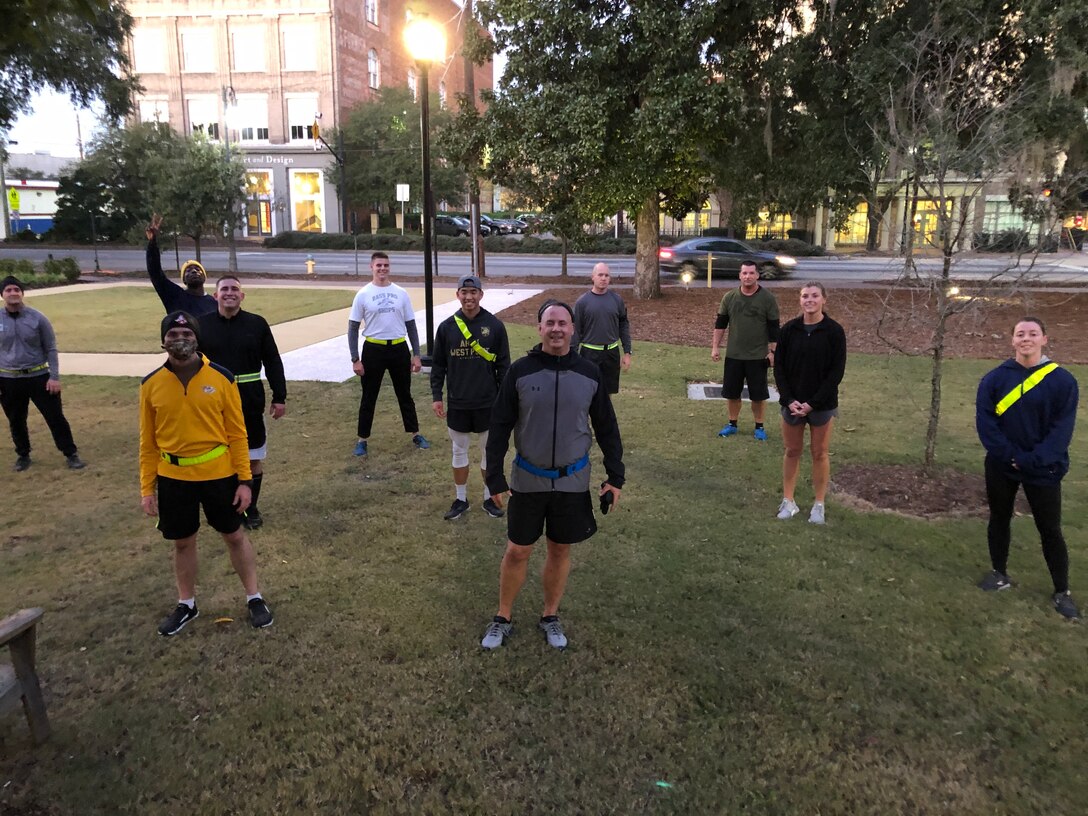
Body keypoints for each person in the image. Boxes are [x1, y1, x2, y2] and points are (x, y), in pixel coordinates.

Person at [480, 300, 625, 651]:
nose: (557, 328)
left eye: (563, 322)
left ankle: (550, 615)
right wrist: (494, 478)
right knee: (518, 550)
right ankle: (503, 617)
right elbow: (499, 426)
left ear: (573, 329)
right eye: (550, 323)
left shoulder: (590, 373)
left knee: (560, 548)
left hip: (572, 482)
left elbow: (607, 427)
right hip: (527, 479)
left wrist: (615, 475)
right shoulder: (521, 371)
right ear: (540, 328)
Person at [140, 310, 273, 636]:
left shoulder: (222, 378)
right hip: (174, 479)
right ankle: (187, 604)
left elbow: (237, 434)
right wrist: (147, 488)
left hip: (219, 475)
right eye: (172, 334)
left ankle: (254, 597)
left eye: (186, 334)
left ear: (197, 338)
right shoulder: (151, 385)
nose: (180, 339)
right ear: (163, 341)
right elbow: (148, 442)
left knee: (234, 536)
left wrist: (244, 480)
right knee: (183, 543)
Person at [975, 317, 1079, 620]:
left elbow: (1061, 431)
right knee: (999, 519)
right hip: (1002, 465)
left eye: (1033, 334)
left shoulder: (1062, 381)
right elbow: (986, 423)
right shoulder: (994, 379)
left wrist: (1032, 459)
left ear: (1044, 339)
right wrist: (1008, 456)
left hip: (1043, 468)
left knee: (1050, 529)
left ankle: (1062, 591)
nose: (1026, 339)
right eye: (1020, 334)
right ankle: (999, 573)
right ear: (1012, 340)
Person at [198, 276, 287, 530]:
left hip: (249, 401)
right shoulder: (201, 326)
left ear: (242, 295)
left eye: (234, 289)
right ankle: (225, 506)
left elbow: (272, 361)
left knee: (251, 458)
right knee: (218, 456)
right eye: (224, 289)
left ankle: (250, 508)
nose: (229, 293)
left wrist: (279, 396)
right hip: (212, 402)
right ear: (215, 295)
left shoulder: (257, 324)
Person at [430, 275, 512, 520]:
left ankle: (489, 498)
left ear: (480, 295)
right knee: (459, 451)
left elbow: (504, 366)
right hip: (458, 402)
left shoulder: (495, 326)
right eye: (464, 292)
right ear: (457, 295)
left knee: (489, 452)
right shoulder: (446, 327)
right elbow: (438, 366)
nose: (469, 297)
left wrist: (505, 399)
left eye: (473, 292)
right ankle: (461, 499)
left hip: (488, 403)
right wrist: (437, 396)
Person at [773, 282, 847, 524]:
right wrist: (789, 399)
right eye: (805, 296)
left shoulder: (834, 331)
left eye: (815, 296)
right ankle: (788, 501)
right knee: (792, 451)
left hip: (821, 405)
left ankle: (819, 504)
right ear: (799, 300)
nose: (809, 300)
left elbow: (836, 373)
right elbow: (780, 368)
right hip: (792, 404)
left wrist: (813, 404)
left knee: (819, 453)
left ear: (824, 299)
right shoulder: (789, 330)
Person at [347, 252, 430, 456]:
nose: (382, 268)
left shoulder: (401, 293)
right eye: (379, 265)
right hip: (373, 349)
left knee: (405, 394)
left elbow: (411, 325)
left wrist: (416, 354)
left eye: (385, 265)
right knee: (369, 396)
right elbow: (352, 327)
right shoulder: (363, 294)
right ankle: (362, 440)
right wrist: (355, 358)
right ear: (371, 267)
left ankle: (415, 433)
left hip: (399, 348)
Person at [0, 275, 85, 472]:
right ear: (3, 294)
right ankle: (23, 454)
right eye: (8, 290)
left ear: (22, 293)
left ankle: (70, 453)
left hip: (39, 378)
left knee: (55, 417)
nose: (13, 293)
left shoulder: (37, 318)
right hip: (9, 380)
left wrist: (54, 377)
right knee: (16, 419)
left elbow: (51, 348)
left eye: (16, 290)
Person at [711, 261, 779, 440]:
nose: (748, 276)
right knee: (732, 393)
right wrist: (715, 347)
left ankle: (759, 426)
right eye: (744, 273)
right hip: (734, 355)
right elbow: (720, 325)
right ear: (739, 276)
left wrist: (772, 352)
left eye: (751, 273)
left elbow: (774, 328)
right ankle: (732, 424)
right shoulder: (729, 297)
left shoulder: (767, 299)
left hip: (758, 356)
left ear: (757, 275)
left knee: (758, 395)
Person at [573, 262, 632, 394]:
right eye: (600, 275)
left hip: (611, 354)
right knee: (588, 393)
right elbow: (575, 331)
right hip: (589, 354)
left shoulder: (617, 300)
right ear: (593, 277)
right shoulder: (582, 302)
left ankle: (605, 415)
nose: (604, 278)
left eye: (607, 275)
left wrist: (627, 352)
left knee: (607, 395)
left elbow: (624, 325)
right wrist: (572, 356)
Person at [145, 214, 216, 317]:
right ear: (184, 280)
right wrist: (152, 242)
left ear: (204, 277)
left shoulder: (214, 303)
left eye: (197, 269)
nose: (194, 271)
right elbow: (155, 272)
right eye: (188, 270)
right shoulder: (175, 296)